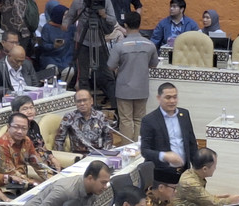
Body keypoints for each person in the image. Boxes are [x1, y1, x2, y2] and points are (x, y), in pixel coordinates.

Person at [107, 12, 159, 142]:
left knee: (125, 120)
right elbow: (154, 64)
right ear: (139, 24)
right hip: (142, 88)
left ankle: (127, 148)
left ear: (125, 25)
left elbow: (110, 66)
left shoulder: (120, 46)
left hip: (124, 89)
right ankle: (138, 148)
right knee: (139, 119)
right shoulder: (150, 45)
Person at [173, 148, 239, 206]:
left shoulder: (190, 173)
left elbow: (199, 198)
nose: (215, 168)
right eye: (214, 166)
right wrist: (231, 200)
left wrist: (216, 197)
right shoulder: (190, 183)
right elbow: (214, 204)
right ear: (205, 169)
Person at [62, 0, 117, 101]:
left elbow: (113, 20)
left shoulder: (105, 2)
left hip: (99, 41)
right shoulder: (78, 2)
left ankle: (115, 103)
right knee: (83, 76)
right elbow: (70, 16)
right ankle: (85, 102)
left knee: (107, 74)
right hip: (82, 41)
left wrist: (104, 15)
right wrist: (65, 24)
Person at [140, 82, 197, 174]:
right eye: (168, 97)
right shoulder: (149, 120)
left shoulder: (184, 114)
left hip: (184, 170)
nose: (172, 101)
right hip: (162, 172)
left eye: (175, 97)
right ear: (159, 98)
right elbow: (145, 150)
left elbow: (191, 143)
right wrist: (164, 155)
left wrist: (197, 167)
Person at [0, 112, 49, 184]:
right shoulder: (0, 146)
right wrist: (33, 183)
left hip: (23, 181)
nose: (20, 131)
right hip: (6, 186)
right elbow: (12, 174)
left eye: (24, 128)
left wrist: (52, 177)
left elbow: (38, 164)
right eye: (16, 127)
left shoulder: (27, 140)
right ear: (8, 127)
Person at [11, 95, 61, 172]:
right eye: (25, 109)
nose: (30, 111)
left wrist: (52, 158)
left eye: (31, 107)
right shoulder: (17, 132)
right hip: (31, 168)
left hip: (44, 163)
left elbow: (41, 145)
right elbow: (23, 158)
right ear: (16, 113)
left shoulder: (34, 125)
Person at [55, 90, 113, 154]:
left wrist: (105, 153)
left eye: (85, 100)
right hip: (79, 156)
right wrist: (61, 157)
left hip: (98, 154)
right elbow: (59, 140)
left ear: (91, 101)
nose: (82, 104)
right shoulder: (69, 117)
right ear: (75, 103)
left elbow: (108, 138)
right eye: (79, 101)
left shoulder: (101, 116)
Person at [40, 4, 75, 71]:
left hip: (66, 58)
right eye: (65, 15)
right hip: (51, 57)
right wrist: (54, 46)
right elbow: (43, 46)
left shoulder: (71, 27)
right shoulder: (47, 27)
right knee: (52, 69)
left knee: (69, 71)